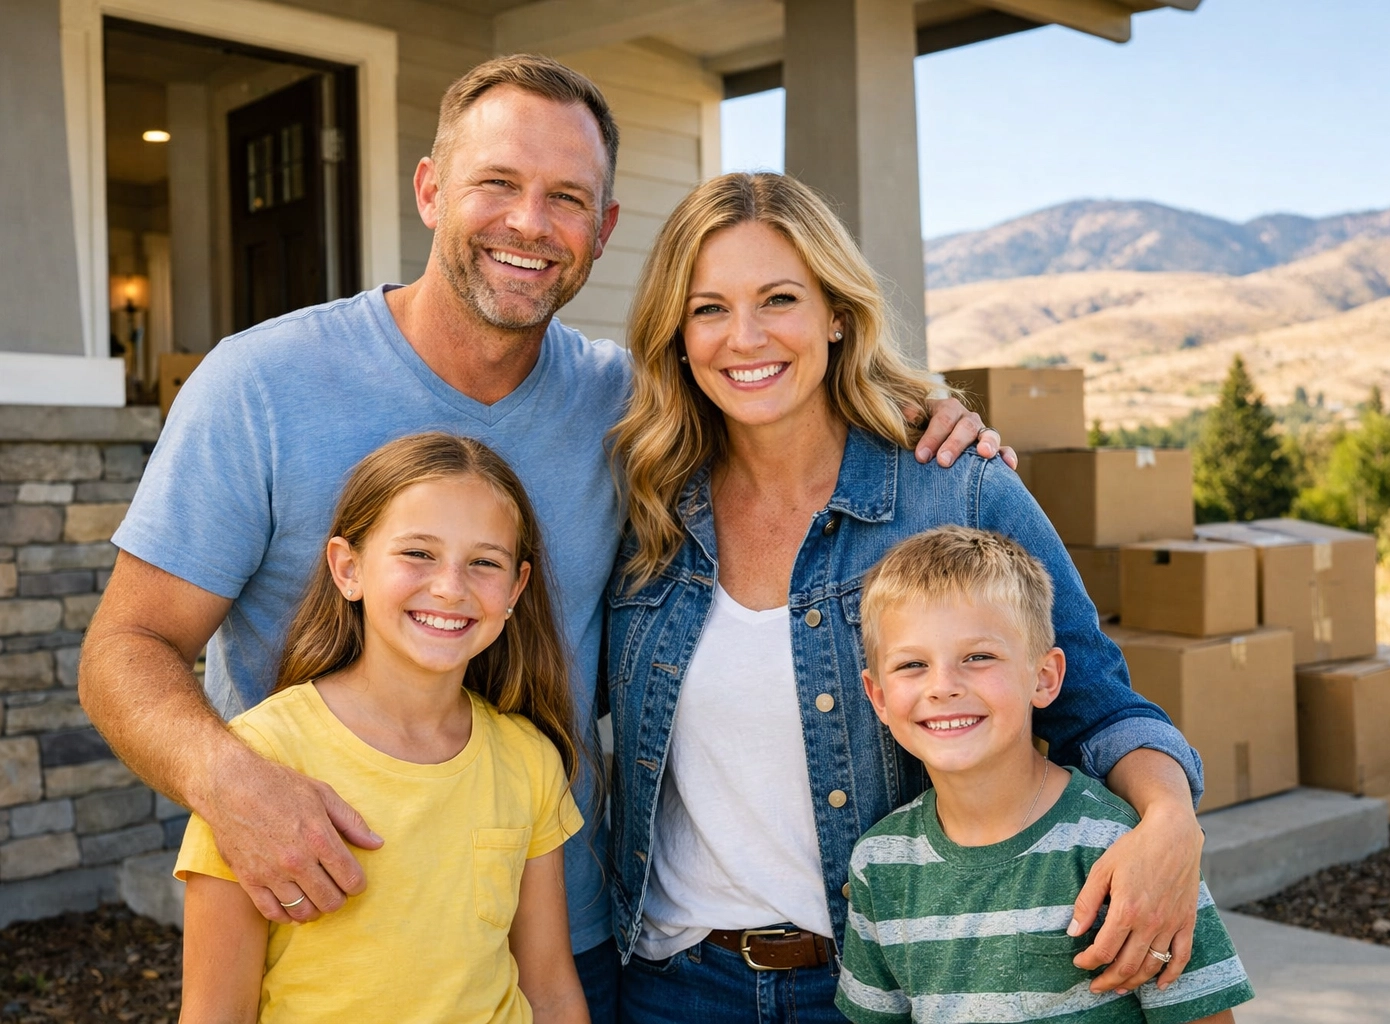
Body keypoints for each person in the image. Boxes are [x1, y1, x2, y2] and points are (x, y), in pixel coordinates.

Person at [76, 55, 1000, 1024]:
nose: (529, 223)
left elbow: (778, 390)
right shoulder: (260, 385)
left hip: (563, 937)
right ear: (432, 190)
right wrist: (233, 786)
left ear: (603, 230)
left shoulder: (629, 409)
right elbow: (126, 648)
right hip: (327, 933)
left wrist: (922, 415)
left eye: (566, 198)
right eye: (498, 184)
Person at [605, 172, 1210, 1024]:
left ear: (836, 313)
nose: (744, 337)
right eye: (708, 309)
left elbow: (1096, 703)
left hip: (885, 981)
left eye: (779, 298)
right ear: (675, 331)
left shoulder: (953, 488)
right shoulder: (644, 505)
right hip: (671, 984)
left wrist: (1170, 823)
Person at [177, 433, 588, 1023]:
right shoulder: (259, 761)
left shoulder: (528, 759)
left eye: (484, 562)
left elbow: (549, 990)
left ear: (516, 589)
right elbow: (216, 1012)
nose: (450, 586)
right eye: (418, 553)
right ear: (348, 569)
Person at [834, 526, 1253, 1024]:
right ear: (878, 695)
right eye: (912, 665)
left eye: (978, 657)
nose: (943, 686)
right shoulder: (879, 866)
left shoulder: (1124, 848)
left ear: (1045, 677)